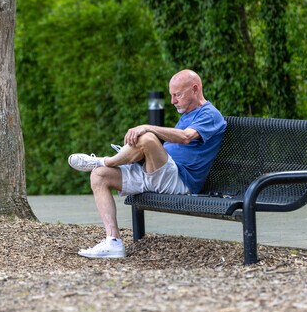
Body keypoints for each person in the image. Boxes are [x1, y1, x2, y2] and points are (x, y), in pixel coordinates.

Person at [67, 69, 226, 259]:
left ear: (195, 89)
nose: (173, 101)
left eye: (177, 95)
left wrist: (148, 127)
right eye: (171, 96)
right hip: (157, 173)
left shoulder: (210, 114)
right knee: (99, 175)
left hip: (180, 180)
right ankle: (113, 241)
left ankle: (103, 160)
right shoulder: (188, 114)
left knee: (148, 138)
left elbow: (185, 137)